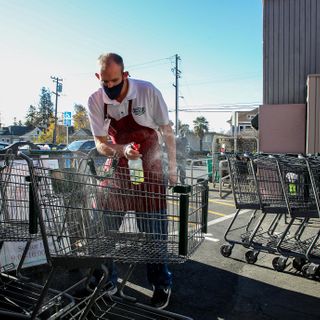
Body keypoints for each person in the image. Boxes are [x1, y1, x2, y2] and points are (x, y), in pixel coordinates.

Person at [87, 53, 177, 309]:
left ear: (125, 75)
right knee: (101, 222)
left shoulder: (147, 91)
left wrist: (172, 168)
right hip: (119, 163)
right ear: (98, 78)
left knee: (153, 232)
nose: (110, 87)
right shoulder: (95, 100)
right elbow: (101, 144)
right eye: (105, 81)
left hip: (150, 165)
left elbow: (166, 130)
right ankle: (106, 279)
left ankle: (161, 284)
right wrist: (123, 149)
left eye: (115, 80)